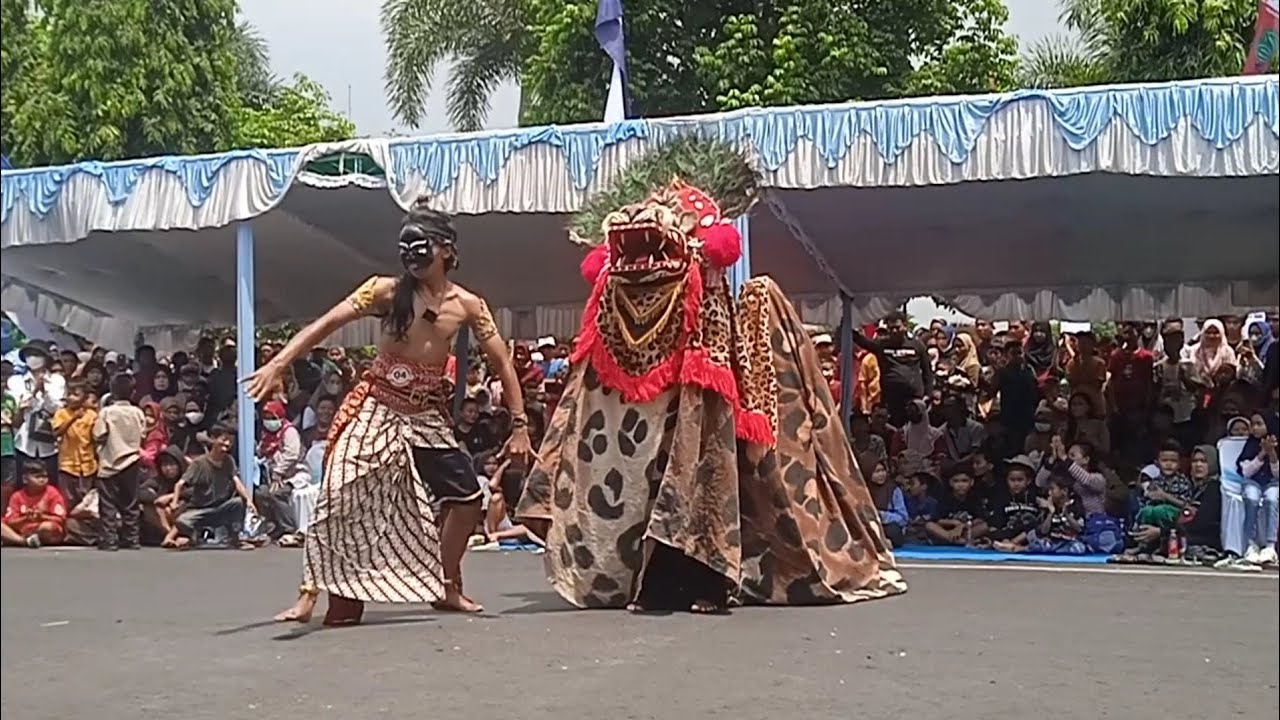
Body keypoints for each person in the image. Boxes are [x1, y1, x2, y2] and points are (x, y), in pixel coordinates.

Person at [247, 195, 532, 625]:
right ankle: (310, 591)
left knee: (469, 498)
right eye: (408, 248)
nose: (414, 257)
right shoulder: (385, 290)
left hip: (425, 416)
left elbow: (502, 363)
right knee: (338, 490)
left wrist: (521, 425)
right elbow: (325, 324)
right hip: (377, 407)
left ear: (448, 250)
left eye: (425, 247)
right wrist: (279, 362)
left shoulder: (469, 305)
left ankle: (446, 584)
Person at [169, 424, 257, 550]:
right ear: (213, 439)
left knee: (238, 503)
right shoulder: (199, 463)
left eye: (230, 441)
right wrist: (174, 502)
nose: (227, 443)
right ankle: (193, 536)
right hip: (200, 510)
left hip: (220, 507)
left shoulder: (228, 461)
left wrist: (248, 500)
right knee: (182, 520)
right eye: (223, 439)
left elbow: (237, 482)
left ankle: (235, 538)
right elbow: (180, 484)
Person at [92, 375, 147, 551]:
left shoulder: (107, 412)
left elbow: (98, 434)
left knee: (108, 502)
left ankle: (109, 539)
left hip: (110, 461)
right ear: (133, 392)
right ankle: (132, 538)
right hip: (132, 459)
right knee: (130, 501)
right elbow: (143, 434)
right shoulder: (137, 412)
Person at [850, 312, 932, 426]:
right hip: (891, 400)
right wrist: (848, 327)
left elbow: (927, 371)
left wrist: (928, 394)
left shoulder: (917, 345)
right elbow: (863, 342)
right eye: (891, 328)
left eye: (897, 327)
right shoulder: (882, 345)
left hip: (914, 398)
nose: (894, 331)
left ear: (905, 326)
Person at [8, 341, 65, 481]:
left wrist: (44, 392)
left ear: (45, 358)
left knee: (49, 483)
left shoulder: (57, 380)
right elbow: (18, 410)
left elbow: (56, 409)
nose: (32, 358)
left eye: (37, 354)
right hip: (23, 442)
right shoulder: (16, 381)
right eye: (29, 355)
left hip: (49, 444)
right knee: (24, 486)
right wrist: (33, 393)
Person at [254, 400, 307, 546]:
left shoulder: (289, 431)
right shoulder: (266, 434)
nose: (269, 421)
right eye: (266, 418)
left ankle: (288, 528)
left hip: (293, 474)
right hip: (271, 476)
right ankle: (272, 525)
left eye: (272, 417)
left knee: (276, 494)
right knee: (260, 493)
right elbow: (261, 451)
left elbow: (292, 454)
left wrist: (279, 471)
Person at [1237, 411, 1278, 565]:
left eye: (1259, 424)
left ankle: (1270, 546)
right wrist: (1262, 454)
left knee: (1272, 499)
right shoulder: (1250, 445)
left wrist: (1272, 453)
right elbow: (1246, 472)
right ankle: (1250, 545)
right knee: (1251, 498)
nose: (1254, 428)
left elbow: (1277, 475)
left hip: (1273, 483)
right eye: (1252, 424)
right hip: (1252, 482)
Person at [51, 380, 98, 513]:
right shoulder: (61, 413)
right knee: (68, 500)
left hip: (87, 465)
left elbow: (96, 438)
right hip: (67, 464)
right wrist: (73, 419)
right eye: (69, 394)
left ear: (84, 397)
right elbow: (56, 433)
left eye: (75, 394)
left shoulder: (92, 415)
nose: (71, 397)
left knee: (86, 501)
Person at [1, 460, 67, 547]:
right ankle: (23, 541)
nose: (42, 480)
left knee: (47, 527)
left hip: (42, 530)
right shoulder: (17, 496)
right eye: (37, 477)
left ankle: (15, 540)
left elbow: (61, 519)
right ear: (25, 479)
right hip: (23, 530)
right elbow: (10, 521)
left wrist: (41, 517)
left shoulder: (52, 493)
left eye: (45, 476)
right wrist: (26, 518)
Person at [925, 461, 988, 546]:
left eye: (964, 481)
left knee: (984, 526)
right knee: (929, 526)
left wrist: (962, 526)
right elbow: (938, 519)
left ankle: (958, 540)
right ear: (950, 482)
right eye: (956, 481)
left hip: (966, 531)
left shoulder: (974, 498)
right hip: (947, 531)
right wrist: (955, 523)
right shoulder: (944, 497)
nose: (960, 485)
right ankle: (954, 540)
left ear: (972, 482)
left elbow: (980, 519)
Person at [988, 455, 1042, 551]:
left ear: (1028, 481)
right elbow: (997, 522)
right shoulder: (1002, 498)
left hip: (1027, 536)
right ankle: (1007, 544)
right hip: (1006, 534)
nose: (1016, 484)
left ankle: (1013, 544)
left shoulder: (1035, 499)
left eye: (1020, 480)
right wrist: (1003, 538)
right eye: (1012, 480)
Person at [863, 456, 907, 548]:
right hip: (869, 526)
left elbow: (903, 518)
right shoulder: (863, 490)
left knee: (893, 530)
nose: (881, 474)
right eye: (877, 472)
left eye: (883, 470)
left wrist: (882, 515)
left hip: (887, 527)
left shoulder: (893, 489)